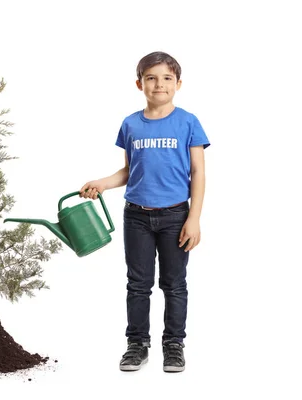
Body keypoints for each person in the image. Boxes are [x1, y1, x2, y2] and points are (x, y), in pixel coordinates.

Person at [79, 51, 210, 373]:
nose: (159, 84)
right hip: (136, 216)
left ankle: (174, 344)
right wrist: (102, 183)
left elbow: (199, 173)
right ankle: (137, 344)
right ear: (139, 84)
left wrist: (194, 218)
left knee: (174, 284)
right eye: (151, 77)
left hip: (176, 216)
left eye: (167, 78)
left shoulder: (188, 122)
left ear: (178, 83)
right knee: (138, 283)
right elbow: (129, 172)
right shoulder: (131, 124)